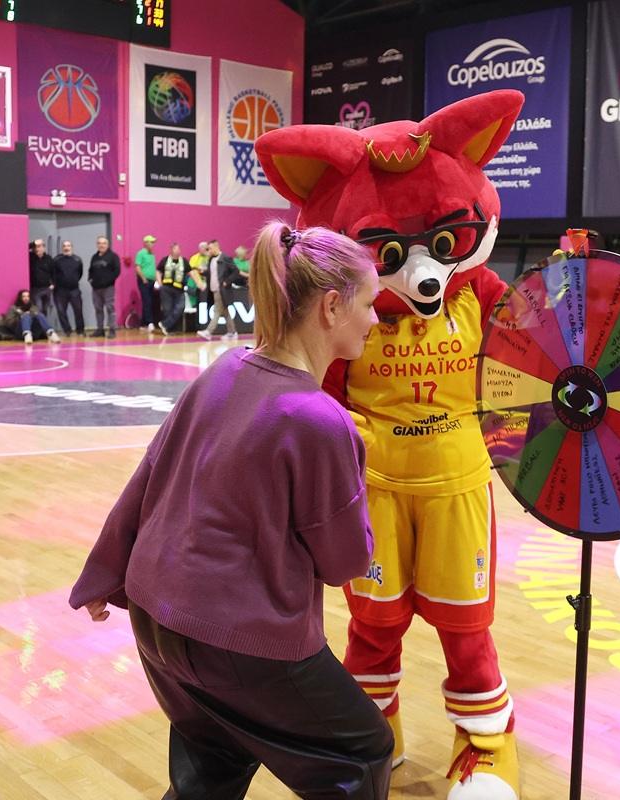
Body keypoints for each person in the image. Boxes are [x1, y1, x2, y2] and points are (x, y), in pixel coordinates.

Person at [69, 223, 390, 800]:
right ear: (331, 306)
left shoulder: (223, 368)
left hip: (156, 616)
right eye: (368, 304)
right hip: (241, 640)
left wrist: (104, 571)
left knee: (214, 762)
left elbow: (150, 474)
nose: (375, 319)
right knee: (360, 754)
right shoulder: (321, 420)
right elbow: (344, 564)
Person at [198, 240, 239, 341]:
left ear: (216, 247)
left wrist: (227, 281)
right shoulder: (211, 259)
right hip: (213, 289)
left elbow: (236, 271)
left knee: (217, 311)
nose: (209, 250)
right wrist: (203, 272)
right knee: (225, 312)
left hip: (221, 290)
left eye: (210, 248)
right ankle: (232, 332)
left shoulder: (225, 258)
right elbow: (211, 273)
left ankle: (208, 332)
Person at [89, 235, 120, 338]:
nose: (101, 245)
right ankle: (100, 330)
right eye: (99, 243)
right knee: (98, 309)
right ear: (97, 245)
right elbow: (90, 271)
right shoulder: (94, 257)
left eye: (104, 243)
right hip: (96, 288)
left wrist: (108, 281)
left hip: (108, 288)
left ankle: (112, 330)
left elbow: (117, 271)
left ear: (107, 245)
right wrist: (90, 280)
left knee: (110, 308)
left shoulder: (113, 256)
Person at [52, 240, 85, 336]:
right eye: (64, 246)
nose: (66, 248)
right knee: (61, 311)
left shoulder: (77, 260)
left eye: (68, 246)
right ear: (62, 248)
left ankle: (80, 331)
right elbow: (53, 273)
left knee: (78, 311)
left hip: (74, 290)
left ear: (71, 247)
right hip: (60, 291)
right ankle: (67, 331)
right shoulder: (56, 260)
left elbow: (80, 273)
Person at [157, 242, 188, 335]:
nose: (178, 251)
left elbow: (191, 272)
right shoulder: (165, 260)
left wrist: (199, 283)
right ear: (171, 250)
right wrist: (160, 284)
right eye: (176, 249)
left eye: (179, 249)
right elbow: (158, 271)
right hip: (166, 288)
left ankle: (165, 324)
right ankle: (169, 329)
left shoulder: (184, 261)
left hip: (179, 289)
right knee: (167, 309)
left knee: (180, 307)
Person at [135, 234, 158, 331]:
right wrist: (143, 278)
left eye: (153, 242)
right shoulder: (141, 253)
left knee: (149, 301)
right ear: (145, 243)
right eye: (151, 242)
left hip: (152, 281)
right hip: (144, 281)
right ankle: (149, 322)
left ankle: (143, 323)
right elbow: (137, 267)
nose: (153, 244)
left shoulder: (152, 254)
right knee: (147, 301)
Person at [29, 239, 54, 322]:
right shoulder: (31, 257)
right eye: (36, 247)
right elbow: (22, 249)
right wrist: (33, 243)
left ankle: (43, 327)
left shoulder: (49, 259)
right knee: (38, 308)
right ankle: (38, 326)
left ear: (44, 248)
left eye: (39, 246)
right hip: (35, 289)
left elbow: (54, 273)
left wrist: (53, 284)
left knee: (45, 309)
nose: (37, 249)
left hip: (47, 288)